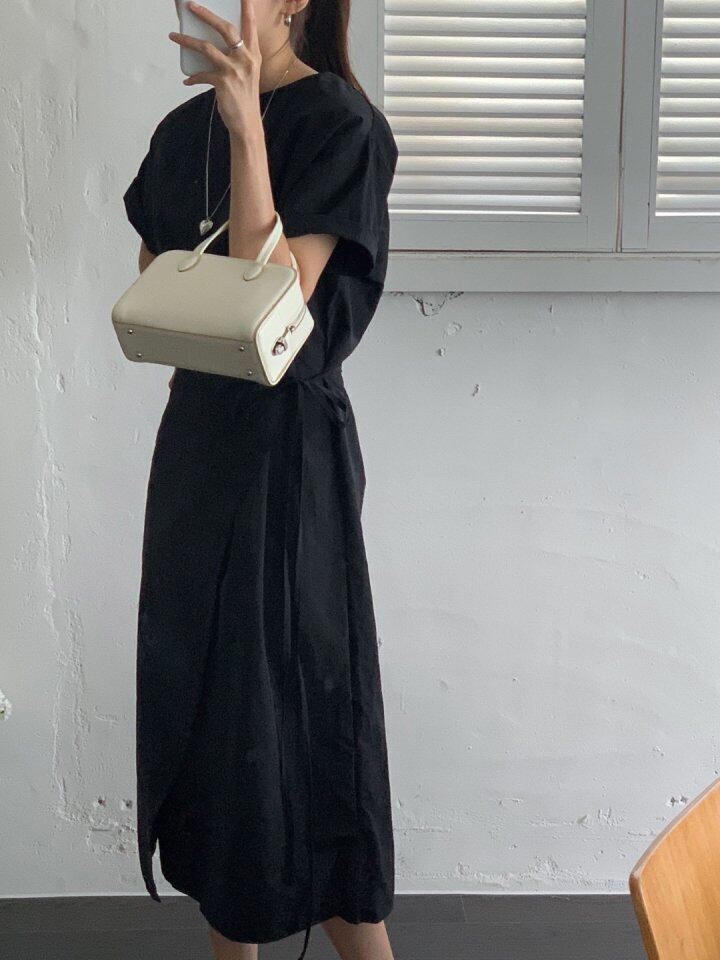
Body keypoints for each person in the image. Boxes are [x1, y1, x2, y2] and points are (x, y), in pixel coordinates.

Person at [121, 1, 399, 958]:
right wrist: (225, 124)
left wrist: (247, 131)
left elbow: (268, 307)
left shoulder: (341, 125)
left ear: (295, 2)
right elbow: (159, 291)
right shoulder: (177, 132)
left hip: (291, 462)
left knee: (305, 723)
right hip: (198, 451)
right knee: (210, 716)